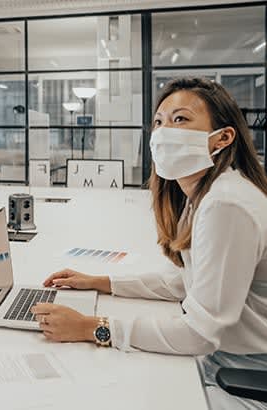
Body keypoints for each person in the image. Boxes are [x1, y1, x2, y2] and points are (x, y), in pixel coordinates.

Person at [30, 78, 267, 409]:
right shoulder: (204, 196)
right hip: (226, 360)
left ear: (223, 138)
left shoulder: (227, 204)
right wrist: (100, 282)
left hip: (242, 374)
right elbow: (184, 281)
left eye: (180, 119)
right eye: (159, 122)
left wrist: (92, 328)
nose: (164, 131)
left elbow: (201, 333)